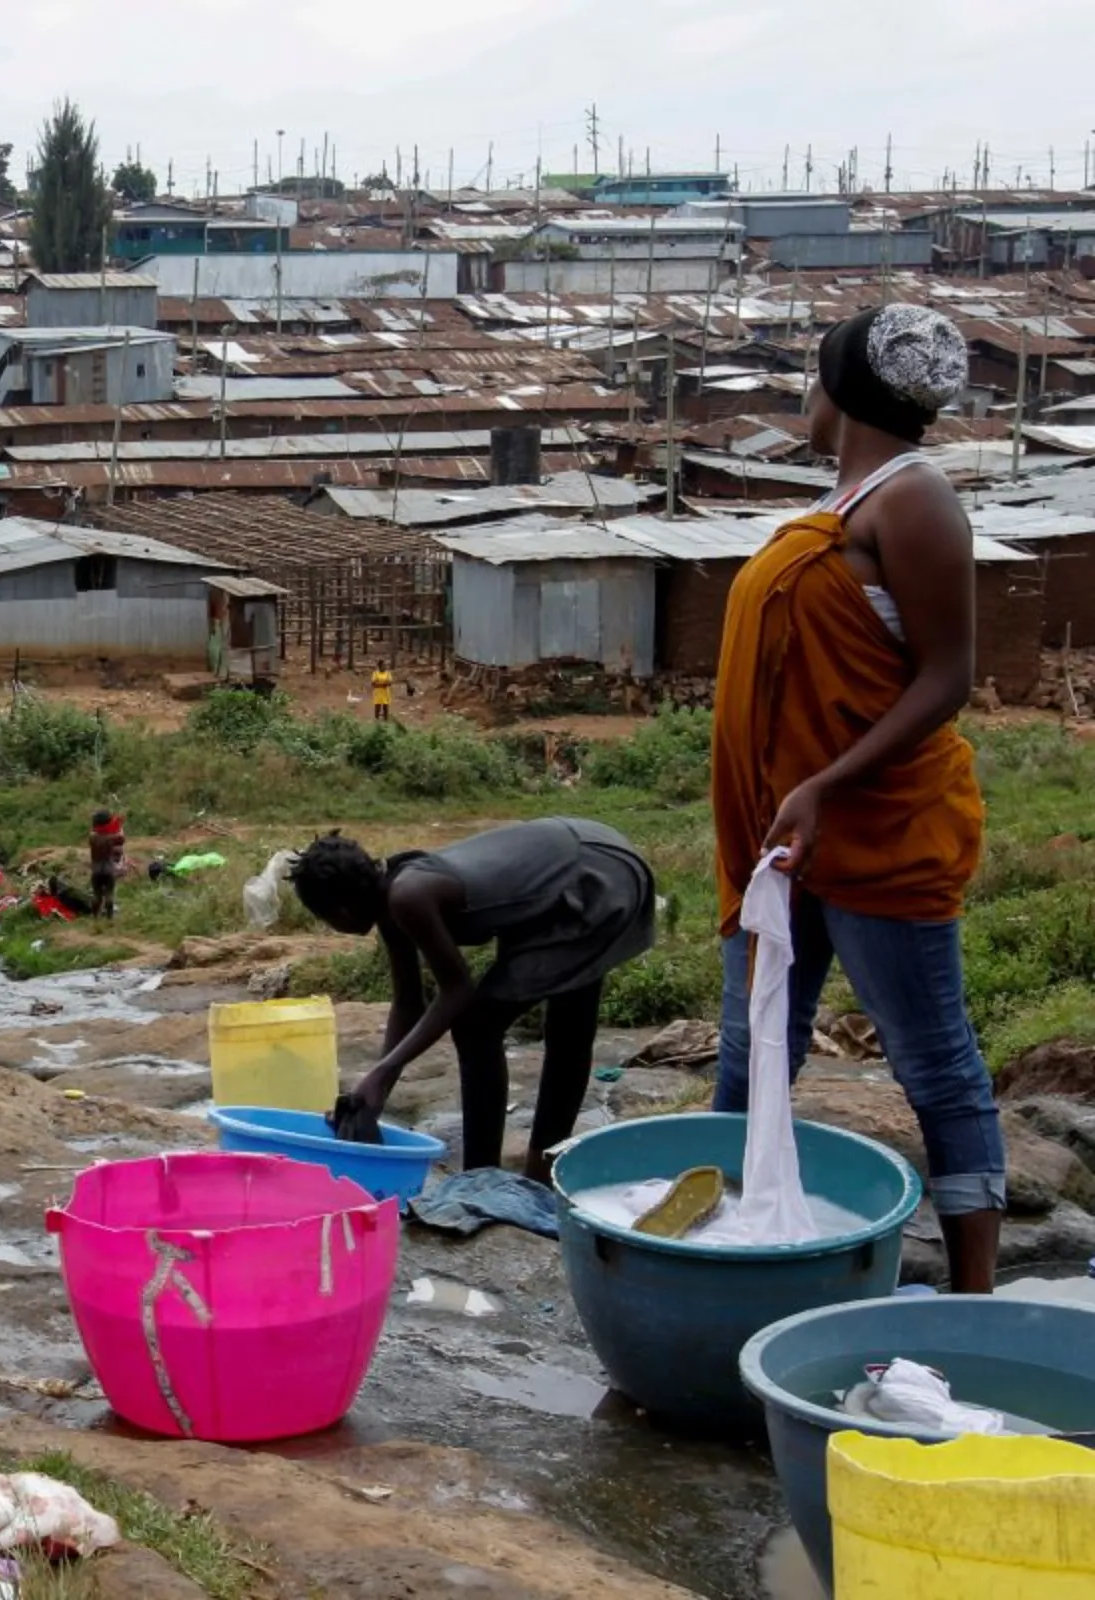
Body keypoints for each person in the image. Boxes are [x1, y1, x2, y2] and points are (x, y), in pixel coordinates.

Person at [711, 303, 1007, 1294]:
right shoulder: (844, 507)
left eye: (812, 374)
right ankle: (717, 1250)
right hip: (786, 840)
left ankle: (977, 1295)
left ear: (839, 389)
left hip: (876, 829)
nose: (805, 393)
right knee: (753, 1052)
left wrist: (827, 782)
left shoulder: (912, 500)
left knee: (935, 1062)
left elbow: (947, 675)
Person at [292, 819, 656, 1186]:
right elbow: (409, 1003)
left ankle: (487, 1179)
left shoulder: (408, 895)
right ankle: (536, 1170)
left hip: (593, 875)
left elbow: (457, 990)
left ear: (339, 910)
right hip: (575, 863)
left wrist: (383, 1072)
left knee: (479, 1026)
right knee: (562, 1019)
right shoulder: (390, 896)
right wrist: (378, 1084)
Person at [89, 812, 126, 920]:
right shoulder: (111, 838)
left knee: (97, 895)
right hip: (109, 868)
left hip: (96, 869)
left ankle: (95, 917)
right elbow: (121, 839)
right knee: (109, 894)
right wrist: (119, 826)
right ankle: (109, 918)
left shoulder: (93, 837)